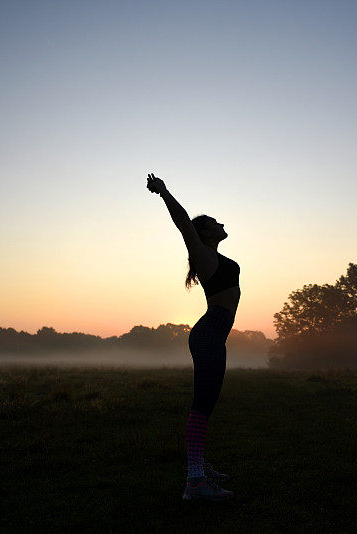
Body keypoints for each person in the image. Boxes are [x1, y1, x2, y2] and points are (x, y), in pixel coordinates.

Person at [146, 172, 240, 502]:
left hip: (215, 334)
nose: (220, 223)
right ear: (203, 233)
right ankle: (195, 482)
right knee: (201, 405)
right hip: (208, 334)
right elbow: (183, 222)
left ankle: (199, 466)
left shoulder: (213, 256)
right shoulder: (201, 252)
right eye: (214, 221)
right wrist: (164, 192)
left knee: (207, 403)